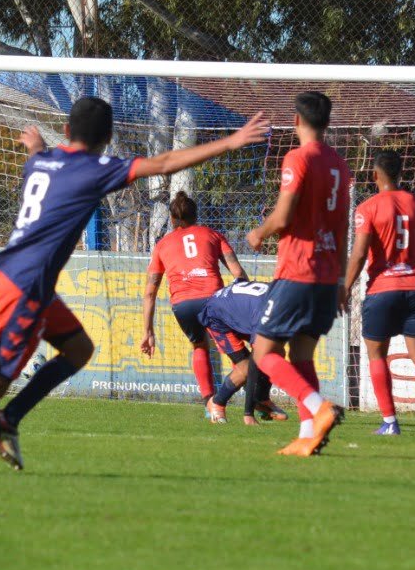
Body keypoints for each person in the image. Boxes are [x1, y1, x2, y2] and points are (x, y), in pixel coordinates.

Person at [0, 98, 270, 472]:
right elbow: (165, 163)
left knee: (79, 348)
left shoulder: (42, 162)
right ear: (107, 139)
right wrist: (231, 141)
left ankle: (8, 420)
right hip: (24, 285)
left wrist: (38, 145)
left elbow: (41, 161)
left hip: (27, 280)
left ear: (66, 129)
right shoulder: (94, 169)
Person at [245, 91, 352, 456]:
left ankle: (319, 408)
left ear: (296, 121)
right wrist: (340, 281)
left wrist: (260, 231)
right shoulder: (340, 164)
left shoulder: (297, 158)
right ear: (328, 122)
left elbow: (284, 213)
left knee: (262, 352)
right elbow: (341, 229)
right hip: (325, 276)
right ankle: (308, 433)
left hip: (298, 271)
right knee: (302, 356)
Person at [341, 148, 415, 437]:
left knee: (377, 356)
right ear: (401, 174)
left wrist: (345, 287)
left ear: (375, 175)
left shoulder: (368, 208)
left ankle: (390, 422)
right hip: (414, 288)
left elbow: (360, 253)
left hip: (382, 291)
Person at [139, 190, 249, 416]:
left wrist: (147, 331)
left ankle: (209, 403)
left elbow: (150, 293)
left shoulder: (162, 245)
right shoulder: (213, 235)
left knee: (199, 346)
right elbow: (239, 274)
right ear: (196, 215)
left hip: (183, 305)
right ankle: (254, 399)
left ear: (172, 219)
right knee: (236, 351)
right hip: (213, 301)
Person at [196, 280, 290, 424]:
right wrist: (248, 414)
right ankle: (217, 403)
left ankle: (262, 400)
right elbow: (255, 362)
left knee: (275, 352)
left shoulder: (285, 301)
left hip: (236, 310)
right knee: (246, 367)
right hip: (217, 316)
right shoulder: (268, 312)